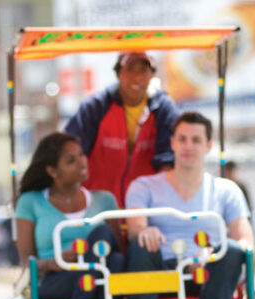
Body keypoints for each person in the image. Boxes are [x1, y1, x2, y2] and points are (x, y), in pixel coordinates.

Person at [125, 112, 253, 299]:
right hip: (161, 271)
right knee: (141, 243)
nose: (188, 146)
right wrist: (145, 231)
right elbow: (135, 227)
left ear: (208, 145)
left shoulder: (226, 190)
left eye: (196, 140)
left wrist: (213, 253)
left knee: (232, 250)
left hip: (207, 271)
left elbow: (246, 242)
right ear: (172, 143)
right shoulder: (144, 186)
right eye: (182, 139)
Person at [15, 132, 125, 299]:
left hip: (103, 272)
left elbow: (116, 250)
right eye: (71, 160)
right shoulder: (30, 202)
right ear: (52, 171)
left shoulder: (105, 200)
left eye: (82, 155)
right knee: (103, 273)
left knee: (107, 246)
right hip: (56, 279)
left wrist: (90, 254)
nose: (82, 162)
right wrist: (52, 262)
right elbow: (26, 262)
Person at [64, 52, 180, 207]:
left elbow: (169, 159)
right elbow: (70, 151)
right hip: (97, 206)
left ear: (152, 75)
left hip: (145, 208)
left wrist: (160, 203)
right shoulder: (95, 107)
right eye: (130, 69)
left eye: (143, 70)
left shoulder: (164, 109)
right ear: (118, 73)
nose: (137, 77)